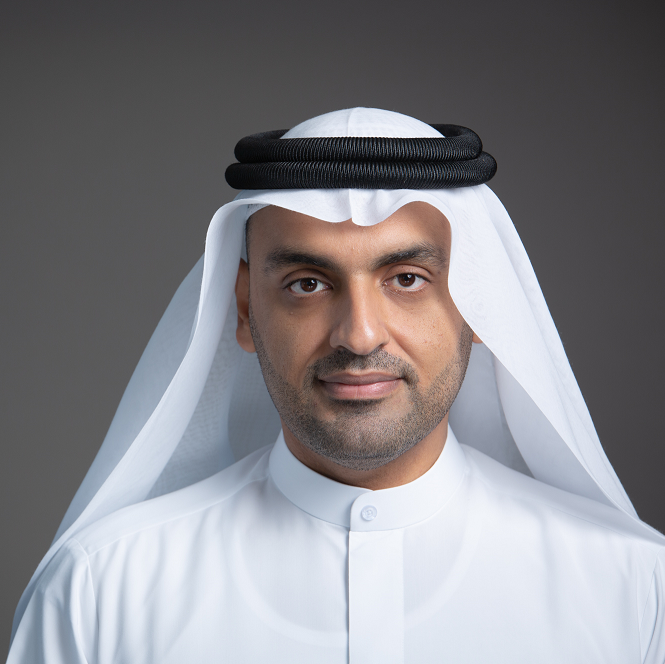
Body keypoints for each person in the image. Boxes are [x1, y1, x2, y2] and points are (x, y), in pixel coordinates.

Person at [7, 108, 665, 663]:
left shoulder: (633, 590)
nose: (359, 335)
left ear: (480, 304)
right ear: (245, 310)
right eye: (307, 283)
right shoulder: (99, 594)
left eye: (406, 278)